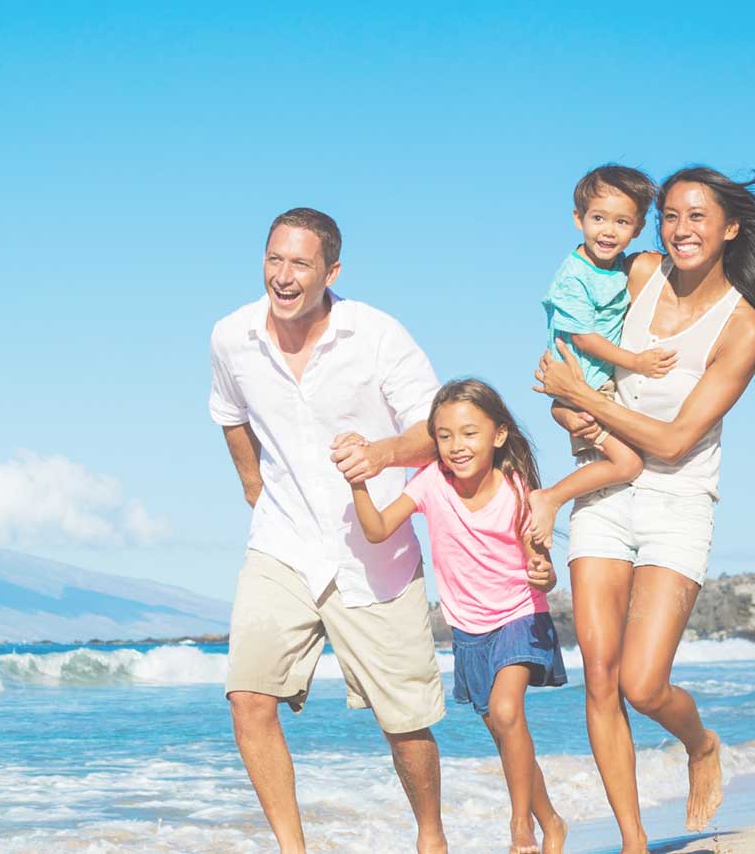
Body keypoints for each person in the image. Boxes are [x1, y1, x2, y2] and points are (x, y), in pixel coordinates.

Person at [211, 207, 552, 853]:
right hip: (281, 544)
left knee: (407, 722)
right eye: (274, 259)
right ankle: (293, 848)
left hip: (374, 551)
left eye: (300, 263)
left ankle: (431, 835)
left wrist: (381, 455)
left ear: (331, 271)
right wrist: (254, 490)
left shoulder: (376, 335)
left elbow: (436, 424)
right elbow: (229, 413)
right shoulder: (232, 337)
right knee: (248, 697)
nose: (283, 277)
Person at [534, 167, 755, 853]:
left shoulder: (743, 326)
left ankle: (701, 742)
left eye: (697, 216)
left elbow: (672, 439)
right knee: (601, 679)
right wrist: (569, 405)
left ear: (729, 227)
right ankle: (634, 840)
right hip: (602, 488)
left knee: (643, 683)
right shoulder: (640, 274)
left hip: (678, 499)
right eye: (669, 215)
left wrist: (590, 401)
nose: (681, 229)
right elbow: (570, 342)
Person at [346, 379, 568, 854]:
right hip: (468, 630)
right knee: (506, 735)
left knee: (508, 714)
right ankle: (551, 820)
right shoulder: (429, 483)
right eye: (443, 436)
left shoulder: (516, 490)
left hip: (519, 617)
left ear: (499, 435)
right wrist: (358, 483)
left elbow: (542, 568)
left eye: (469, 433)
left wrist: (545, 575)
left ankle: (519, 829)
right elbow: (379, 529)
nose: (455, 446)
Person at [526, 165, 677, 543]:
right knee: (627, 463)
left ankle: (562, 415)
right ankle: (549, 497)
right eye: (598, 218)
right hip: (583, 383)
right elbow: (584, 339)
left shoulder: (616, 267)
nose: (608, 231)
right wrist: (637, 362)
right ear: (578, 219)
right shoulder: (573, 276)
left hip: (590, 387)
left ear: (638, 227)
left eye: (622, 221)